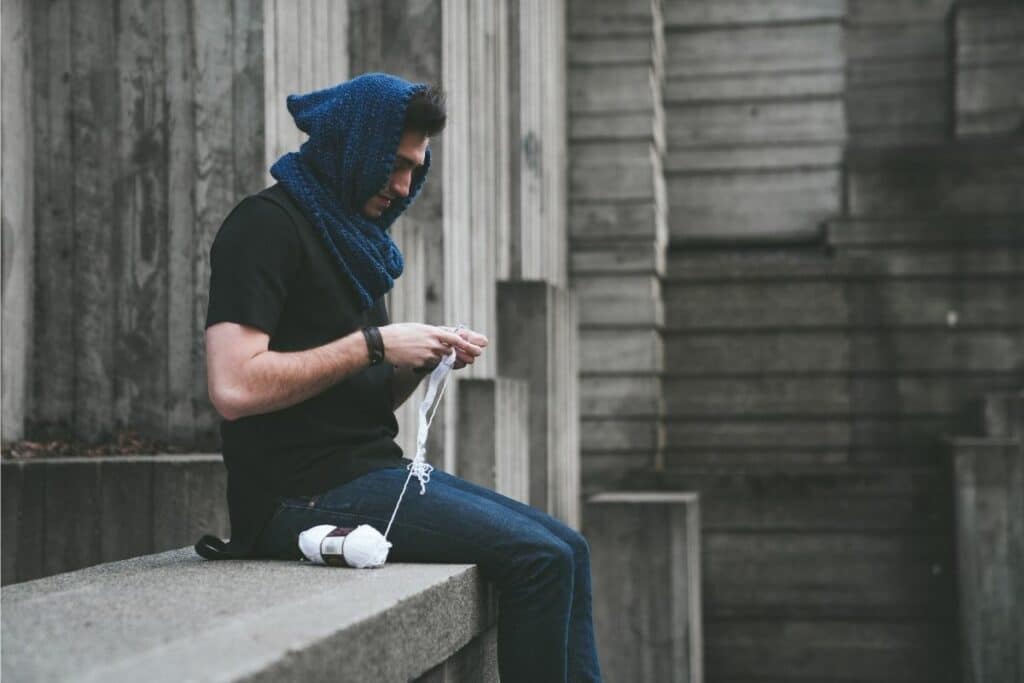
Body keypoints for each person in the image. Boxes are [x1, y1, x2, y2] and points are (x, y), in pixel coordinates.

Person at [198, 72, 602, 682]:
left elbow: (358, 400)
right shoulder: (264, 226)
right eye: (395, 165)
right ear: (354, 147)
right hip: (295, 495)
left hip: (368, 471)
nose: (405, 186)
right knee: (538, 560)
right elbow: (233, 387)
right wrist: (374, 345)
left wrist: (420, 362)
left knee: (569, 548)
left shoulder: (353, 241)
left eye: (416, 167)